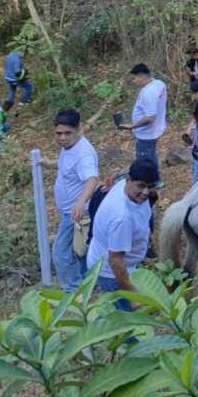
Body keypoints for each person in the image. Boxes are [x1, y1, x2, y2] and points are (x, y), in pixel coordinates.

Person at [86, 158, 157, 312]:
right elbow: (116, 261)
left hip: (125, 264)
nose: (146, 192)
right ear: (129, 180)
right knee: (125, 319)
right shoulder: (122, 219)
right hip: (112, 274)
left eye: (150, 186)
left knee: (116, 313)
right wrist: (133, 294)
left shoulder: (124, 187)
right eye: (141, 186)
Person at [41, 108, 99, 293]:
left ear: (78, 130)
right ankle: (86, 283)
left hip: (77, 213)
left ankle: (72, 291)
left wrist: (80, 203)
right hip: (70, 212)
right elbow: (66, 164)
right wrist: (49, 163)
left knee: (61, 253)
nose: (62, 138)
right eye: (58, 133)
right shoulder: (69, 147)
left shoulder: (84, 155)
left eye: (67, 133)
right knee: (80, 249)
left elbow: (92, 179)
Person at [118, 64, 167, 183]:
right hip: (156, 129)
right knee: (151, 154)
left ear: (141, 77)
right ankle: (156, 177)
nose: (133, 81)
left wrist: (132, 126)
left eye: (134, 78)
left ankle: (148, 182)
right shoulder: (159, 83)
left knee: (143, 161)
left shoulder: (148, 94)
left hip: (146, 134)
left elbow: (150, 118)